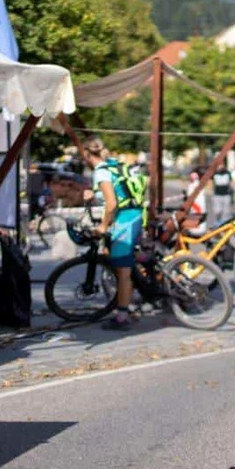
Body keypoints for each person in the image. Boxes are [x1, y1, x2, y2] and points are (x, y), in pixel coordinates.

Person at [81, 137, 146, 332]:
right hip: (136, 216)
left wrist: (102, 226)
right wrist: (94, 195)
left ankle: (122, 317)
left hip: (125, 221)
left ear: (86, 153)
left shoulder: (101, 172)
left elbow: (112, 204)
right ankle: (142, 291)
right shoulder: (113, 165)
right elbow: (119, 192)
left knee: (123, 271)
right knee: (124, 263)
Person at [210, 162, 234, 227]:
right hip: (217, 194)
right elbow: (212, 183)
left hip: (226, 194)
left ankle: (224, 225)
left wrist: (232, 193)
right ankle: (217, 222)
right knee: (217, 211)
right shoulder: (215, 174)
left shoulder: (227, 173)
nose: (220, 167)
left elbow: (230, 182)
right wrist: (212, 192)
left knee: (226, 212)